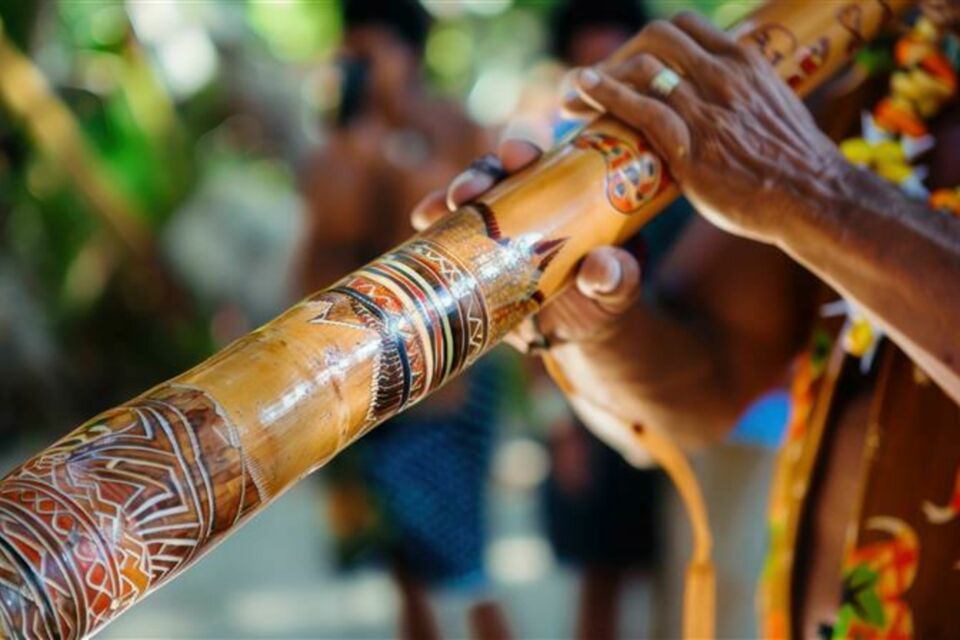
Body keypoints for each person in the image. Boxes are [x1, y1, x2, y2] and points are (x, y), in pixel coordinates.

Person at [412, 6, 960, 638]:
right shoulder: (875, 76)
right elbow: (709, 386)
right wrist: (589, 319)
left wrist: (818, 193)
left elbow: (814, 194)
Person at [296, 2, 507, 638]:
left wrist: (391, 146)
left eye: (374, 52)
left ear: (410, 54)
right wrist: (354, 145)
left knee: (465, 564)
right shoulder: (340, 142)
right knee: (401, 566)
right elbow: (324, 244)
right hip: (360, 373)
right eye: (353, 53)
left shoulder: (453, 125)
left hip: (448, 378)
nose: (362, 66)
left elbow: (456, 231)